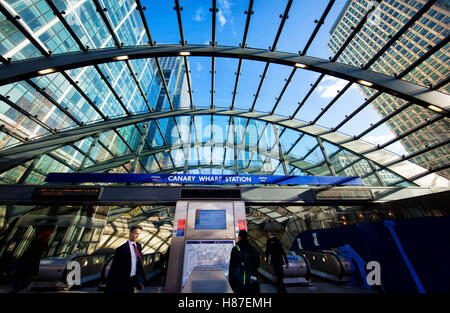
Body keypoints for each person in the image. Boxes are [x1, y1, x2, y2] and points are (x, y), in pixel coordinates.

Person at [9, 228, 52, 293]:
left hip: (25, 268)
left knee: (20, 285)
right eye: (49, 234)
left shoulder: (37, 243)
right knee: (21, 285)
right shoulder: (39, 243)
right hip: (27, 268)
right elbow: (34, 257)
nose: (51, 235)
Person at [105, 226, 145, 293]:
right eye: (136, 233)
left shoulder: (138, 246)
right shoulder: (121, 249)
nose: (137, 236)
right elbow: (114, 268)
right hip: (123, 279)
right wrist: (109, 286)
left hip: (133, 279)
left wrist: (140, 281)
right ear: (130, 233)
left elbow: (137, 265)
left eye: (139, 234)